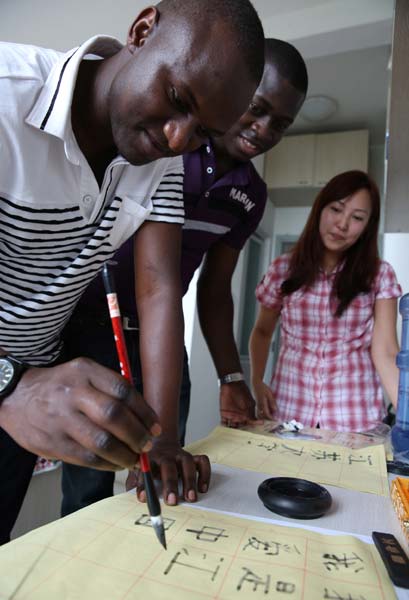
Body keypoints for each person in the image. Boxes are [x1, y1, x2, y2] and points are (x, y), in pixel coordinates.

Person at [0, 0, 265, 544]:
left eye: (201, 133)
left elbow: (161, 289)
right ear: (143, 31)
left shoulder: (161, 161)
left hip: (26, 385)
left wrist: (162, 438)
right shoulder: (6, 95)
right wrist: (9, 386)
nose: (176, 139)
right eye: (175, 98)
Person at [61, 38, 308, 513]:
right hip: (94, 327)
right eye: (256, 110)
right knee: (89, 483)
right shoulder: (167, 147)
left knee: (161, 469)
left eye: (280, 124)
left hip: (162, 339)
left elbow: (214, 292)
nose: (263, 129)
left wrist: (230, 375)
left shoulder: (251, 195)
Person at [249, 170, 402, 432]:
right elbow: (262, 331)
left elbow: (386, 352)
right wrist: (257, 380)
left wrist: (407, 413)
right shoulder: (283, 269)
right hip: (289, 410)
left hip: (355, 416)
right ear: (320, 208)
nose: (342, 224)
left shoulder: (379, 274)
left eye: (356, 218)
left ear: (367, 227)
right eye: (336, 209)